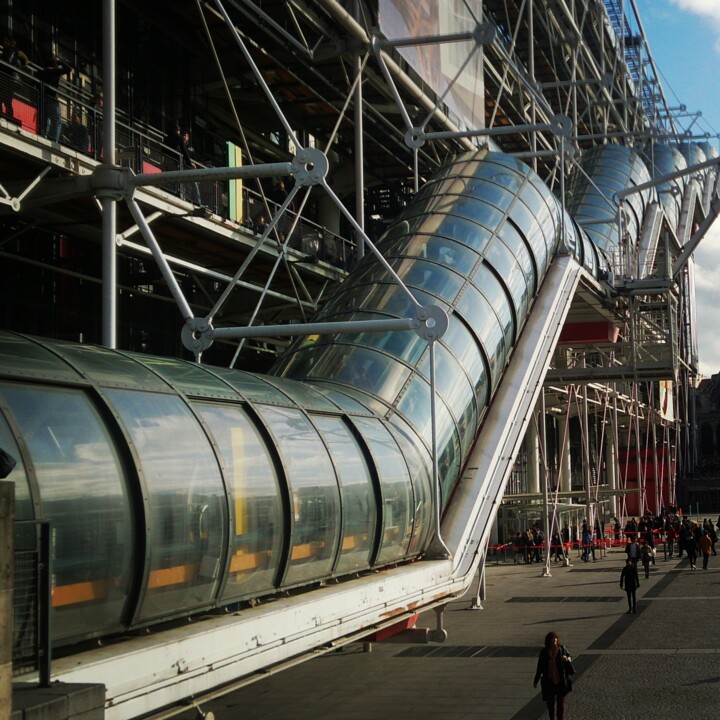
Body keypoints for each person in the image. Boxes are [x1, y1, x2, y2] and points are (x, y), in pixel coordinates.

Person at [533, 631, 573, 720]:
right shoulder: (544, 652)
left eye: (555, 640)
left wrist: (567, 659)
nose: (554, 642)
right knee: (550, 704)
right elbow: (540, 667)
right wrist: (536, 680)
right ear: (548, 642)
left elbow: (569, 658)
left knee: (560, 704)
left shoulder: (561, 649)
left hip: (560, 680)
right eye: (552, 641)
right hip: (549, 680)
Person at [37, 56, 73, 142]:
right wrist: (60, 61)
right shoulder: (54, 71)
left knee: (44, 119)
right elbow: (68, 69)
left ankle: (43, 135)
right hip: (51, 99)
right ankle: (53, 139)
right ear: (54, 64)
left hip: (41, 97)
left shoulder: (41, 72)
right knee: (56, 120)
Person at [0, 36, 28, 121]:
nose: (4, 43)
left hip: (6, 78)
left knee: (2, 99)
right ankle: (9, 119)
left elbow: (6, 62)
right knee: (7, 101)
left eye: (5, 41)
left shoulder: (9, 50)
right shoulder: (17, 54)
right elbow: (23, 63)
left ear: (8, 42)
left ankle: (4, 117)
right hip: (13, 80)